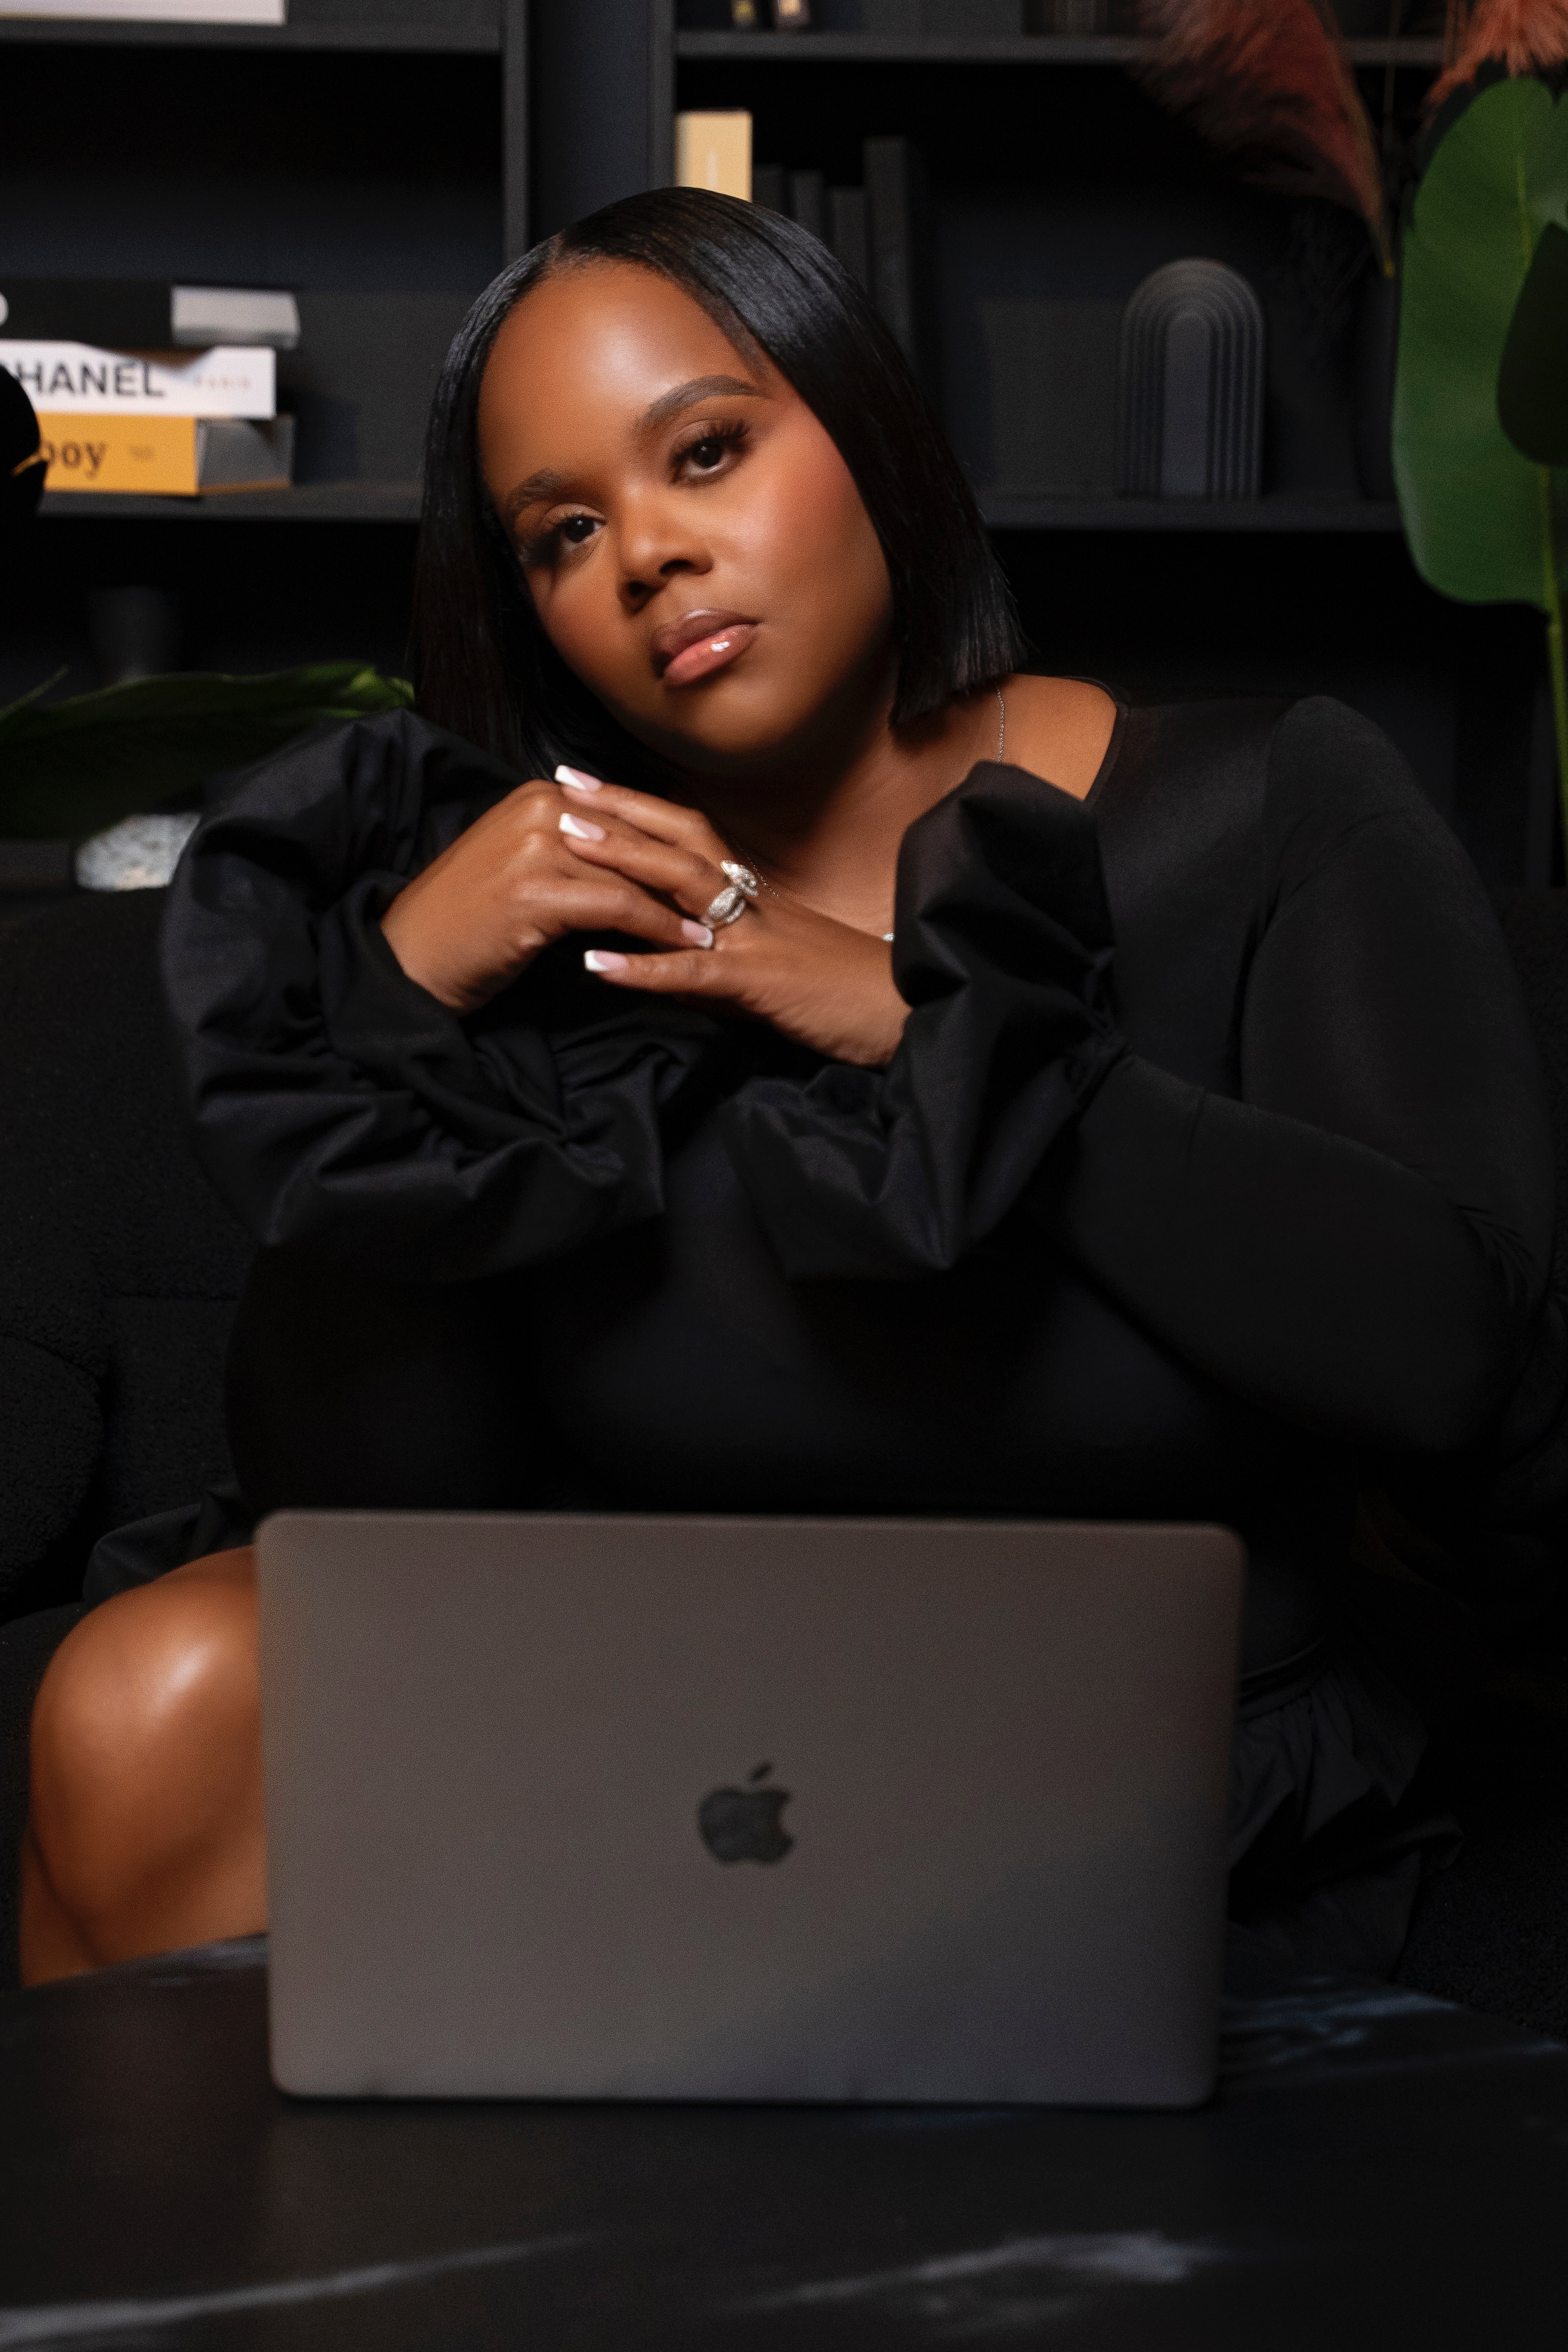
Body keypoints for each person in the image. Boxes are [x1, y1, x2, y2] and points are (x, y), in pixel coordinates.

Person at [19, 190, 1559, 1988]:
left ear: (866, 429)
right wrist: (402, 1013)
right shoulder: (563, 932)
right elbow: (358, 1501)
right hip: (679, 1770)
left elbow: (1451, 1360)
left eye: (708, 451)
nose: (648, 555)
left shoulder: (1273, 808)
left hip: (1150, 1790)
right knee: (151, 1692)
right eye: (565, 533)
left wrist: (924, 1029)